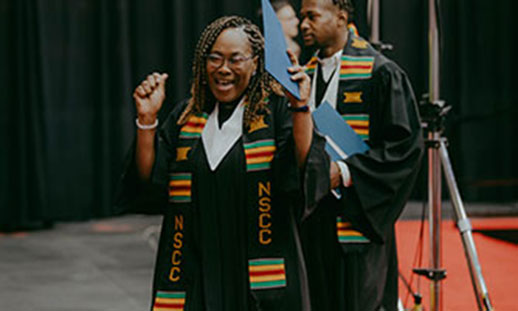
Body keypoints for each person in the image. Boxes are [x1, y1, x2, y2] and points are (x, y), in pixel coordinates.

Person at [116, 15, 321, 311]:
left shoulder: (276, 112)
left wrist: (300, 108)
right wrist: (146, 122)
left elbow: (302, 171)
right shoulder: (186, 118)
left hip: (258, 275)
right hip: (196, 269)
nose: (223, 69)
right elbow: (150, 181)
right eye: (214, 58)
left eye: (235, 59)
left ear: (255, 63)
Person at [296, 0, 424, 310]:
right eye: (302, 17)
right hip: (312, 225)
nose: (303, 25)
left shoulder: (380, 72)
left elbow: (404, 148)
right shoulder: (302, 76)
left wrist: (343, 172)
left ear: (341, 16)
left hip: (357, 219)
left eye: (312, 16)